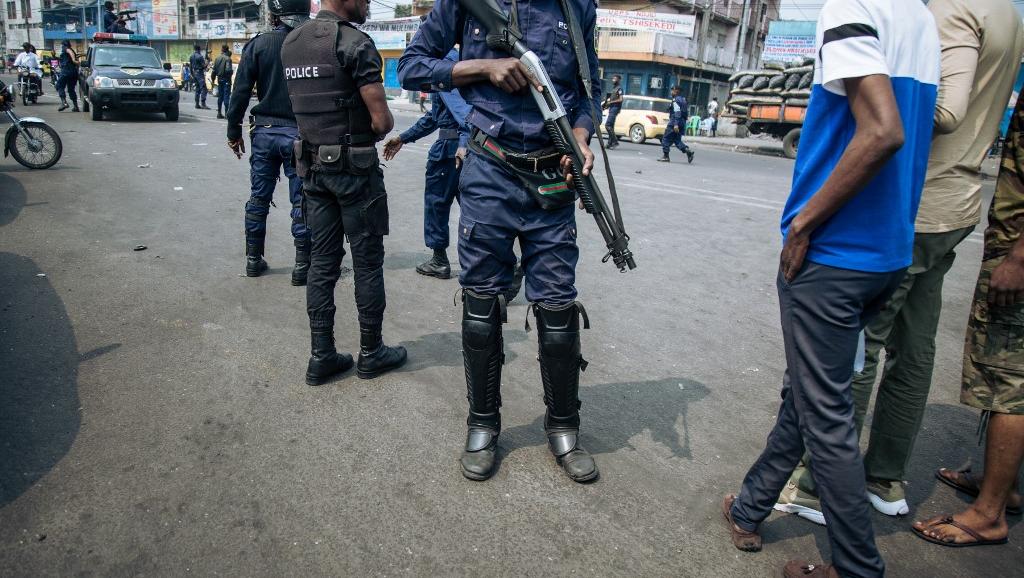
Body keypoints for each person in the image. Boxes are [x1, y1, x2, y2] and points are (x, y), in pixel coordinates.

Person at [777, 0, 1024, 524]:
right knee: (914, 350)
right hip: (954, 200)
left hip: (911, 200)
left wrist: (879, 99)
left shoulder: (953, 10)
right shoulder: (1006, 12)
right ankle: (883, 479)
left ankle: (820, 491)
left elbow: (941, 112)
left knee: (854, 359)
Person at [721, 1, 940, 576]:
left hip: (836, 254)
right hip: (887, 251)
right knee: (810, 391)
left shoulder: (852, 6)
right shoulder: (919, 17)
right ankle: (750, 508)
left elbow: (884, 131)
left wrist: (805, 222)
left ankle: (857, 568)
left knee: (825, 414)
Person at [399, 0, 602, 484]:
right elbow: (410, 67)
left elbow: (589, 92)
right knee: (482, 304)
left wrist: (581, 137)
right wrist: (483, 68)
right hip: (489, 168)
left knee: (557, 309)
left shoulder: (577, 7)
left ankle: (563, 426)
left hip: (553, 175)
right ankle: (483, 424)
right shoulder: (468, 4)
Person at [911, 92, 1024, 549]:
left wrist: (1019, 256)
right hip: (1008, 242)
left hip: (1016, 253)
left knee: (1008, 379)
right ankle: (1000, 486)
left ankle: (988, 514)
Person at [281, 0, 408, 385]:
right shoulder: (354, 42)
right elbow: (381, 121)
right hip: (354, 173)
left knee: (322, 264)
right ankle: (371, 352)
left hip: (313, 171)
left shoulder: (292, 42)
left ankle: (322, 356)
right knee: (367, 263)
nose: (369, 2)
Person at [226, 0, 310, 286]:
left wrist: (233, 131)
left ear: (274, 14)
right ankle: (302, 265)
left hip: (264, 133)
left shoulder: (259, 45)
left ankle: (252, 259)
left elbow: (239, 92)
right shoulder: (309, 43)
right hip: (299, 135)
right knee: (301, 200)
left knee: (259, 196)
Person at [383, 49, 470, 280]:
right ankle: (482, 261)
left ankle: (440, 261)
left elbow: (464, 115)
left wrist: (463, 143)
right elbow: (434, 117)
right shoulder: (454, 64)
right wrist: (403, 138)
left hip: (451, 150)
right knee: (472, 208)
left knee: (437, 204)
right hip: (462, 147)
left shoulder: (445, 66)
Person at [658, 86, 693, 163]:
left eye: (672, 90)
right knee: (677, 140)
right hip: (682, 122)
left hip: (674, 122)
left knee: (665, 139)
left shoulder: (676, 100)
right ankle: (688, 151)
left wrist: (676, 124)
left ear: (676, 91)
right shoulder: (683, 100)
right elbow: (685, 113)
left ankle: (666, 156)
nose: (671, 92)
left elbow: (677, 112)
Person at [55, 40, 79, 112]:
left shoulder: (66, 49)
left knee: (59, 85)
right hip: (73, 72)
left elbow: (69, 51)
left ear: (64, 45)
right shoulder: (69, 51)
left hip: (66, 71)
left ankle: (64, 102)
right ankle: (76, 106)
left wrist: (74, 60)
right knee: (71, 89)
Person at [602, 74, 623, 149]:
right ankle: (609, 143)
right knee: (611, 126)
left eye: (615, 79)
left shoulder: (619, 89)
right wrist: (606, 105)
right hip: (612, 109)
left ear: (619, 80)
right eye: (613, 78)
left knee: (607, 125)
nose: (613, 80)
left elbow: (621, 99)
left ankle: (615, 142)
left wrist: (611, 102)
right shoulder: (614, 88)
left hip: (615, 109)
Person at [212, 45, 233, 119]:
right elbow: (228, 70)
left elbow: (214, 71)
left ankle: (219, 113)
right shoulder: (228, 59)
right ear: (227, 50)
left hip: (219, 79)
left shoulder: (217, 58)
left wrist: (213, 79)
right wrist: (230, 74)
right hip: (226, 80)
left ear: (222, 50)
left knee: (220, 97)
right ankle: (227, 114)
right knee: (226, 97)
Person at [189, 44, 209, 110]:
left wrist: (192, 74)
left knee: (197, 88)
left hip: (194, 73)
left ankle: (197, 104)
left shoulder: (191, 56)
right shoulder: (200, 57)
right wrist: (207, 62)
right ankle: (203, 103)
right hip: (200, 73)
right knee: (204, 88)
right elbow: (204, 66)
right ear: (199, 49)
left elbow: (190, 67)